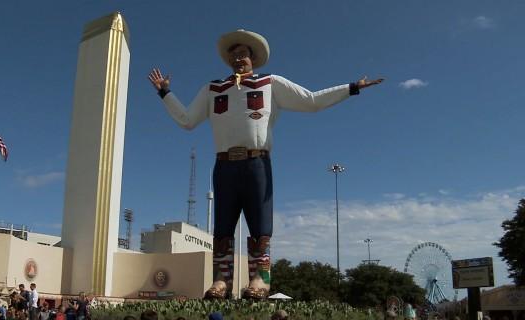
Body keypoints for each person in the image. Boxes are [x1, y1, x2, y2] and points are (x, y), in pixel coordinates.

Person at [149, 29, 383, 299]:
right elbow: (187, 120)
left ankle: (260, 278)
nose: (238, 59)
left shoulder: (270, 83)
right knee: (222, 226)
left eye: (243, 55)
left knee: (260, 223)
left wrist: (351, 88)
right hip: (224, 165)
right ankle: (221, 280)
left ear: (254, 58)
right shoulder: (213, 89)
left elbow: (311, 101)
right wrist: (165, 93)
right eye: (233, 55)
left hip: (256, 162)